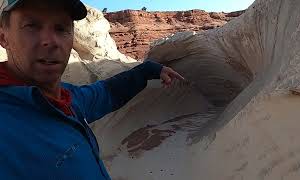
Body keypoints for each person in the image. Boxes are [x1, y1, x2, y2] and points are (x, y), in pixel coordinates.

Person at [0, 0, 184, 179]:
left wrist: (147, 71)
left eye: (61, 28)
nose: (50, 41)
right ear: (3, 37)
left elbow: (104, 93)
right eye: (32, 25)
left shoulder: (64, 98)